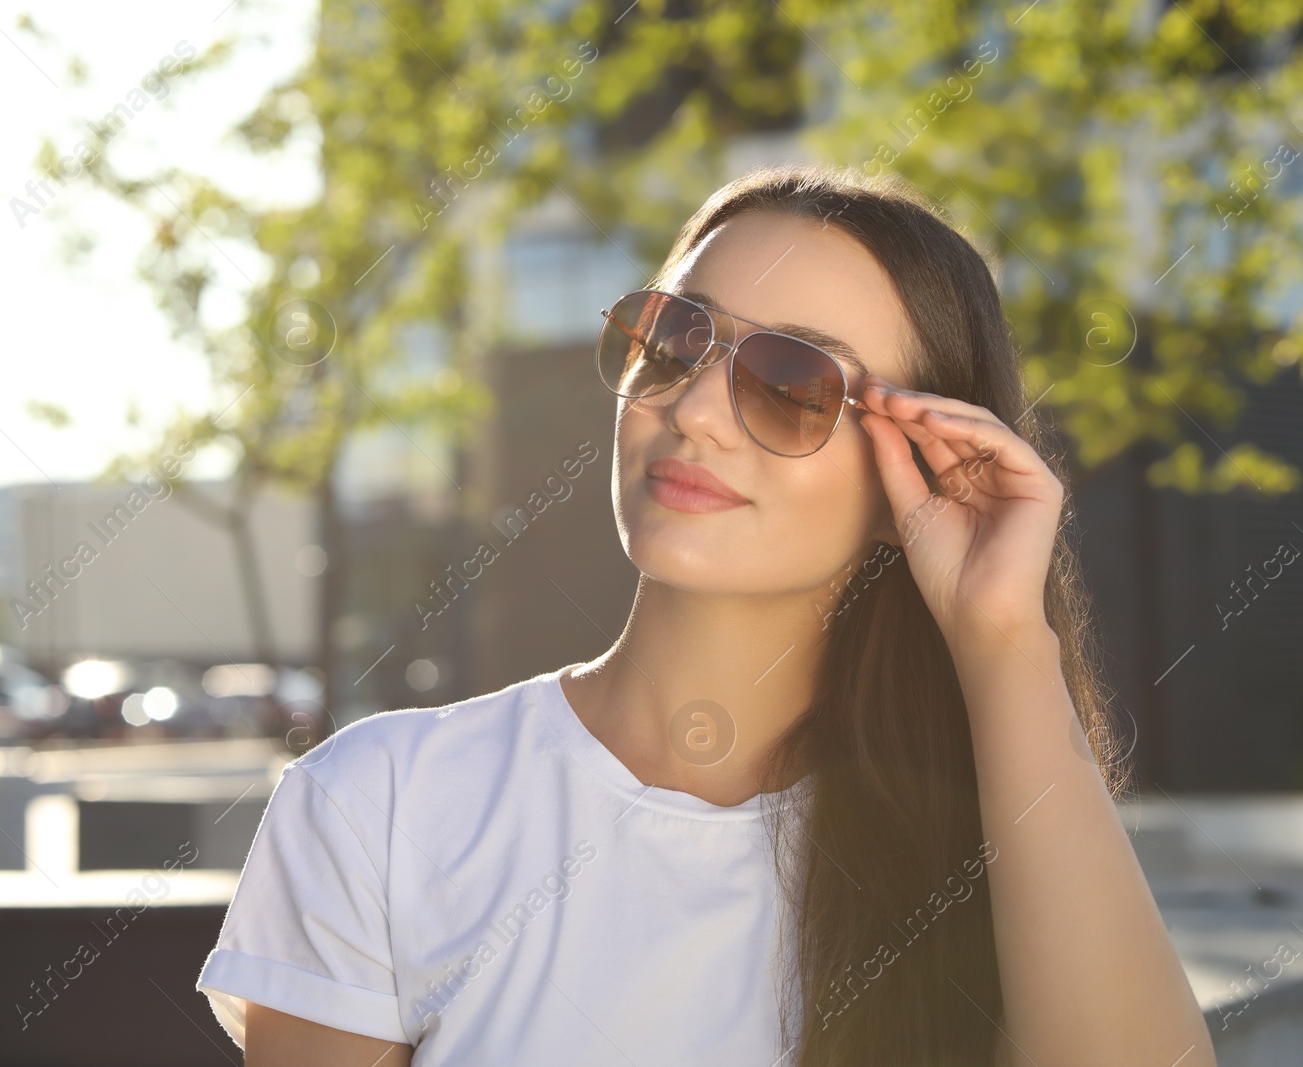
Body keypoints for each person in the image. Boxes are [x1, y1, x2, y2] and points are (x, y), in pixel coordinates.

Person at [195, 163, 1216, 1065]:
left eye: (792, 382)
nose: (693, 410)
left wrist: (1000, 635)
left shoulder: (984, 853)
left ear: (918, 466)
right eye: (674, 339)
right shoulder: (377, 801)